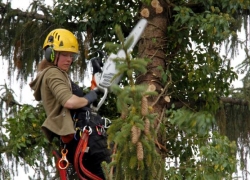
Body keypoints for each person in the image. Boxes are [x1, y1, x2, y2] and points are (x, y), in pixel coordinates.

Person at [29, 28, 111, 179]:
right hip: (85, 142)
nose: (69, 59)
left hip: (83, 142)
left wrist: (95, 79)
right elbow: (69, 102)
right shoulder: (53, 73)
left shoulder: (58, 75)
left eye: (71, 55)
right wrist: (89, 97)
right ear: (51, 54)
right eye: (65, 54)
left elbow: (83, 105)